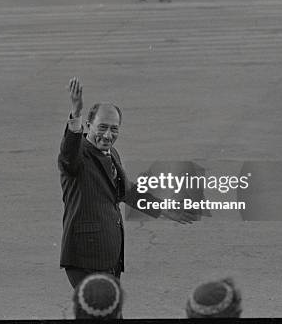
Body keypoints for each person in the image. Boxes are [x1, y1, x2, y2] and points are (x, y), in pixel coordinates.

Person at [58, 77, 196, 288]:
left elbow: (127, 192)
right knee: (101, 315)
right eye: (102, 127)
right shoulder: (78, 156)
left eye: (114, 129)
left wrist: (164, 209)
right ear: (88, 125)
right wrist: (75, 113)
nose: (108, 135)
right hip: (85, 258)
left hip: (109, 258)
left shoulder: (112, 153)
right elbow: (68, 155)